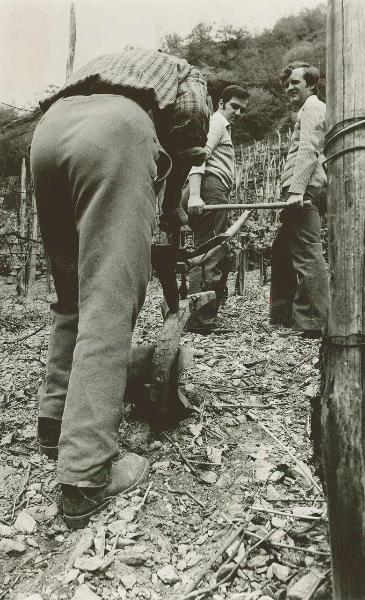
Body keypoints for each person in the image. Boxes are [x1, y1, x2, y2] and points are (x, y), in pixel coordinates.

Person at [31, 48, 209, 529]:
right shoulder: (186, 74)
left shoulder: (113, 62)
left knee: (71, 294)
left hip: (49, 131)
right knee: (109, 303)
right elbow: (190, 135)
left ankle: (54, 422)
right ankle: (86, 475)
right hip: (114, 134)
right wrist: (172, 203)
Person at [269, 61, 328, 337]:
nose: (289, 88)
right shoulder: (307, 110)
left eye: (295, 82)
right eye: (287, 84)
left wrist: (296, 190)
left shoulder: (314, 108)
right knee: (282, 249)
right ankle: (284, 314)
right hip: (298, 189)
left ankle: (314, 321)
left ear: (311, 84)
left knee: (306, 252)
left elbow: (309, 149)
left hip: (302, 190)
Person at [185, 85, 250, 332]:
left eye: (243, 109)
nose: (239, 112)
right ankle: (200, 321)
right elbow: (199, 157)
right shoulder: (216, 123)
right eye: (235, 106)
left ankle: (200, 317)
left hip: (216, 188)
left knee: (213, 249)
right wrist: (194, 195)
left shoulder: (223, 126)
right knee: (210, 251)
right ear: (221, 103)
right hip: (209, 187)